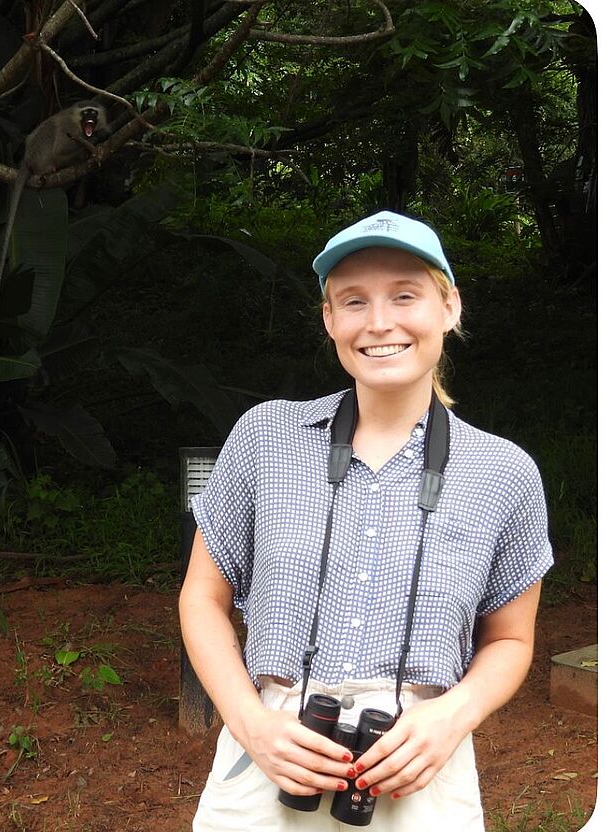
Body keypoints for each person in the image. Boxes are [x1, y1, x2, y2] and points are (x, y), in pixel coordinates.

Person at [178, 210, 552, 831]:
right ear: (329, 320)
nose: (379, 323)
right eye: (353, 301)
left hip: (420, 764)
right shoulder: (266, 438)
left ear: (449, 307)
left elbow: (511, 641)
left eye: (405, 295)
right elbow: (201, 598)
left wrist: (451, 717)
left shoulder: (503, 472)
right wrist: (251, 724)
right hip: (270, 750)